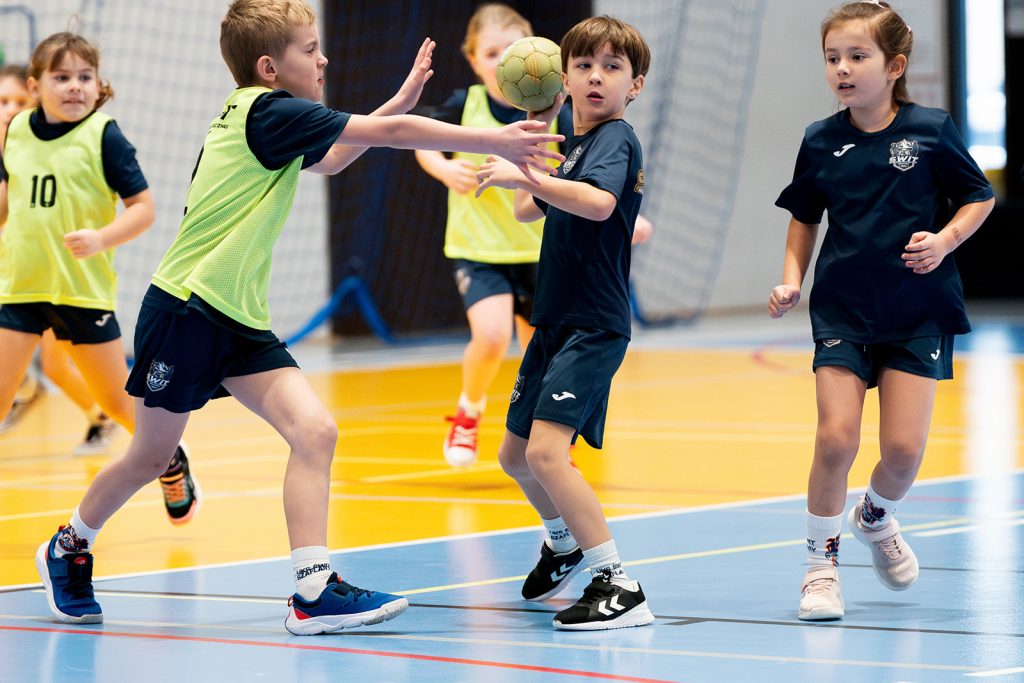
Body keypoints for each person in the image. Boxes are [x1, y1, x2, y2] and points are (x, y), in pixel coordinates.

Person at [35, 0, 563, 632]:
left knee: (314, 432)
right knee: (151, 457)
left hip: (236, 314)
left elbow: (336, 156)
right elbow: (389, 137)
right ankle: (68, 545)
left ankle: (312, 590)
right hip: (187, 308)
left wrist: (397, 102)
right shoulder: (268, 111)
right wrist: (495, 139)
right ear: (269, 67)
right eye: (310, 50)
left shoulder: (271, 118)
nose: (324, 59)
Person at [767, 0, 994, 621]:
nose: (842, 68)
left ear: (894, 66)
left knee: (901, 452)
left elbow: (978, 197)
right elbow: (803, 217)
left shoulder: (931, 130)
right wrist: (791, 281)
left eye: (857, 56)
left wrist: (945, 240)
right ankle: (820, 570)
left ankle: (874, 516)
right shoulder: (820, 139)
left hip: (918, 310)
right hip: (843, 309)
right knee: (836, 438)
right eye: (832, 58)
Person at [474, 15, 654, 630]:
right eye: (583, 66)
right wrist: (533, 142)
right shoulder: (573, 144)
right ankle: (564, 542)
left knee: (548, 455)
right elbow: (528, 208)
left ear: (635, 84)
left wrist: (524, 173)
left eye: (612, 67)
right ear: (564, 79)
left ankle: (619, 584)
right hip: (554, 320)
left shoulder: (615, 139)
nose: (596, 77)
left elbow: (599, 204)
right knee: (515, 455)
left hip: (593, 322)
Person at [416, 4, 652, 467]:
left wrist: (627, 218)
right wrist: (443, 169)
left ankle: (552, 444)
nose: (503, 60)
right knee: (490, 335)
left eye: (511, 50)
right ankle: (470, 412)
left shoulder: (577, 125)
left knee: (537, 354)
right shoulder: (467, 104)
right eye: (491, 53)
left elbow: (593, 190)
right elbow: (422, 140)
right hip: (479, 248)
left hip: (538, 255)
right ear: (474, 60)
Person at [0, 35, 199, 523]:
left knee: (114, 401)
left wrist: (101, 238)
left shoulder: (104, 136)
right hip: (21, 286)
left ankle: (169, 457)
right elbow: (11, 201)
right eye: (62, 77)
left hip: (81, 291)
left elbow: (144, 209)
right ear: (35, 87)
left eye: (84, 77)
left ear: (97, 83)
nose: (75, 86)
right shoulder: (17, 131)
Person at [0, 64, 122, 452]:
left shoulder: (42, 148)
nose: (11, 108)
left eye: (19, 101)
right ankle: (97, 415)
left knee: (58, 366)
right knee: (50, 366)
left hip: (59, 279)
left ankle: (113, 420)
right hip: (20, 280)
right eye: (3, 101)